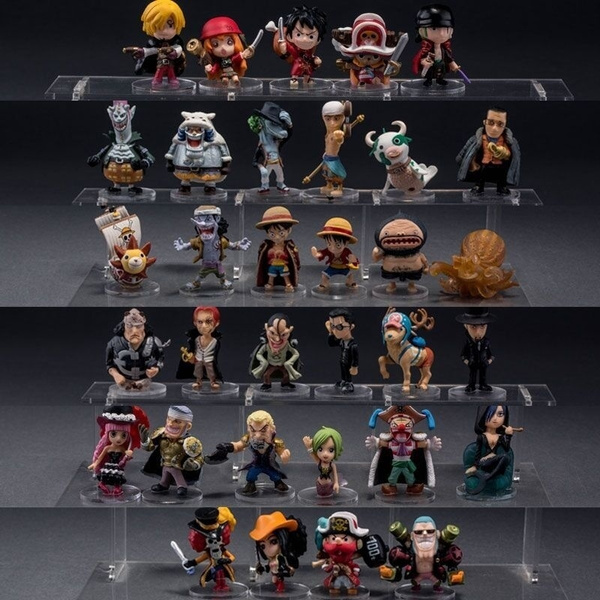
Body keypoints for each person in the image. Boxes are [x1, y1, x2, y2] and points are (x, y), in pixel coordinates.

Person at [206, 410, 291, 496]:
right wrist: (228, 446)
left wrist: (284, 455)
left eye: (263, 430)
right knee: (251, 476)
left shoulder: (275, 442)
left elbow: (281, 451)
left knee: (275, 475)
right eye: (253, 430)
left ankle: (278, 483)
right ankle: (251, 486)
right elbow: (238, 446)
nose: (257, 435)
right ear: (248, 429)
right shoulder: (247, 439)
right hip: (257, 465)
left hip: (270, 465)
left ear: (272, 429)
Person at [456, 107, 521, 195]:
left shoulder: (508, 141)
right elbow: (466, 151)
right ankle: (479, 187)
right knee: (480, 176)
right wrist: (466, 161)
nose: (494, 128)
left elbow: (512, 155)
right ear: (484, 122)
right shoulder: (476, 140)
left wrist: (505, 153)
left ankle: (501, 188)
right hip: (484, 163)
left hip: (499, 164)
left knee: (501, 176)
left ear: (505, 126)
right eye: (491, 122)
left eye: (500, 124)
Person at [140, 405, 203, 497]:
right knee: (166, 471)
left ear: (188, 426)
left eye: (177, 421)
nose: (170, 424)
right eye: (169, 419)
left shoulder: (190, 442)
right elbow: (150, 447)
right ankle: (163, 484)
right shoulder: (161, 435)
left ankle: (182, 486)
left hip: (178, 466)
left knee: (174, 470)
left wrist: (194, 464)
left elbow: (199, 457)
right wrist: (145, 440)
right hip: (164, 463)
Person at [463, 404, 518, 495]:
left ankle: (487, 477)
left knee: (505, 457)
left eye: (500, 414)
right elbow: (478, 452)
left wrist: (508, 436)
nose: (495, 418)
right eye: (491, 414)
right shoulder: (482, 437)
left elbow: (506, 449)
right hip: (484, 463)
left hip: (495, 464)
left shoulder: (500, 437)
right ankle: (486, 477)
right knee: (503, 458)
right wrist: (475, 466)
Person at [105, 308, 166, 390]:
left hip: (144, 382)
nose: (134, 331)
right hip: (124, 382)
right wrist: (116, 375)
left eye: (138, 326)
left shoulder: (155, 342)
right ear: (124, 325)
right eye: (129, 326)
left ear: (144, 326)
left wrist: (156, 369)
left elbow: (160, 359)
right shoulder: (114, 343)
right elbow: (109, 364)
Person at [249, 512, 307, 592]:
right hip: (275, 574)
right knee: (274, 581)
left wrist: (286, 570)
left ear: (283, 539)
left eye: (273, 542)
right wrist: (262, 569)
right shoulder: (272, 560)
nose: (268, 550)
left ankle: (280, 589)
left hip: (280, 574)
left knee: (279, 582)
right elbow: (268, 567)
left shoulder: (280, 558)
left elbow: (285, 565)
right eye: (263, 546)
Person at [456, 308, 496, 393]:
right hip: (473, 363)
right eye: (473, 327)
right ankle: (471, 385)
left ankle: (483, 385)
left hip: (483, 363)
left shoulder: (486, 342)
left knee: (483, 375)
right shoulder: (468, 343)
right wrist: (468, 362)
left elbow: (491, 354)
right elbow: (463, 355)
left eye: (482, 327)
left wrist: (488, 361)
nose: (478, 332)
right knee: (472, 375)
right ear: (466, 326)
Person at [303, 426, 343, 496]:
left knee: (328, 498)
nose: (325, 454)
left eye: (331, 450)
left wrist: (336, 483)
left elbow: (335, 475)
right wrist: (309, 447)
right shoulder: (319, 462)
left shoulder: (332, 465)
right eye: (320, 449)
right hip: (319, 484)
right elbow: (312, 454)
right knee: (320, 498)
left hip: (329, 484)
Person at [325, 308, 358, 393]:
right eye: (333, 326)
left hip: (348, 362)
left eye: (339, 327)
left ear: (351, 327)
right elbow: (331, 343)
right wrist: (330, 332)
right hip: (342, 361)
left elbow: (355, 357)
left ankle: (349, 383)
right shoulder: (342, 341)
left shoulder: (353, 345)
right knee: (343, 371)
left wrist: (354, 366)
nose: (335, 330)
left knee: (348, 372)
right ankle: (343, 381)